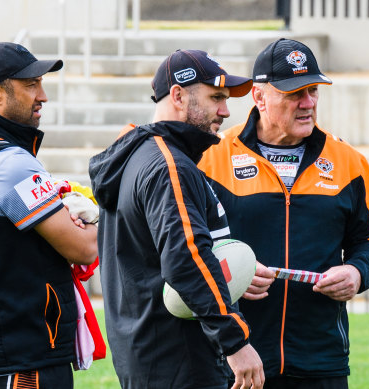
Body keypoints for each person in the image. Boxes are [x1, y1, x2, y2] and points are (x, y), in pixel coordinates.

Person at [198, 38, 369, 389]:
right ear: (259, 97)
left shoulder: (350, 162)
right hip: (238, 357)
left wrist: (357, 272)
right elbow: (190, 247)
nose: (308, 103)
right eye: (293, 93)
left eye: (313, 90)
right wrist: (233, 271)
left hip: (321, 360)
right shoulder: (210, 158)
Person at [89, 49, 265, 389]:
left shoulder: (143, 155)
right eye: (216, 98)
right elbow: (187, 258)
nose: (226, 111)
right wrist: (236, 342)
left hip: (150, 356)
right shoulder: (168, 165)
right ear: (178, 96)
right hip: (178, 360)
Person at [0, 42, 98, 389]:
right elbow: (83, 248)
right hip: (23, 355)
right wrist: (91, 219)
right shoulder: (7, 162)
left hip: (5, 351)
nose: (42, 95)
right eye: (31, 85)